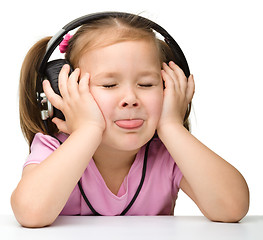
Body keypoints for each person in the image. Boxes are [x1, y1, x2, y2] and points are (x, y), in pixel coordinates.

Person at [11, 13, 249, 228]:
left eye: (146, 84)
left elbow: (231, 208)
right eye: (109, 85)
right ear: (65, 91)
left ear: (168, 89)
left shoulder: (168, 155)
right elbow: (31, 213)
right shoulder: (53, 149)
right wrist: (89, 130)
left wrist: (171, 126)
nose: (131, 99)